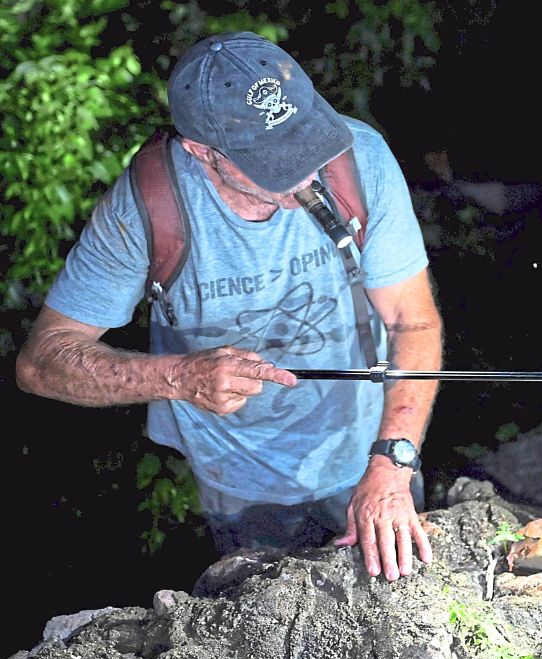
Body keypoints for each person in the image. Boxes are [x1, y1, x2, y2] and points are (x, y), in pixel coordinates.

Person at [15, 32, 443, 583]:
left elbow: (414, 320)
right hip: (239, 481)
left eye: (308, 144)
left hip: (374, 452)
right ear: (202, 151)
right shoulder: (149, 208)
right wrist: (179, 376)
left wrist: (391, 463)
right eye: (279, 163)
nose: (310, 176)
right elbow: (39, 363)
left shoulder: (360, 162)